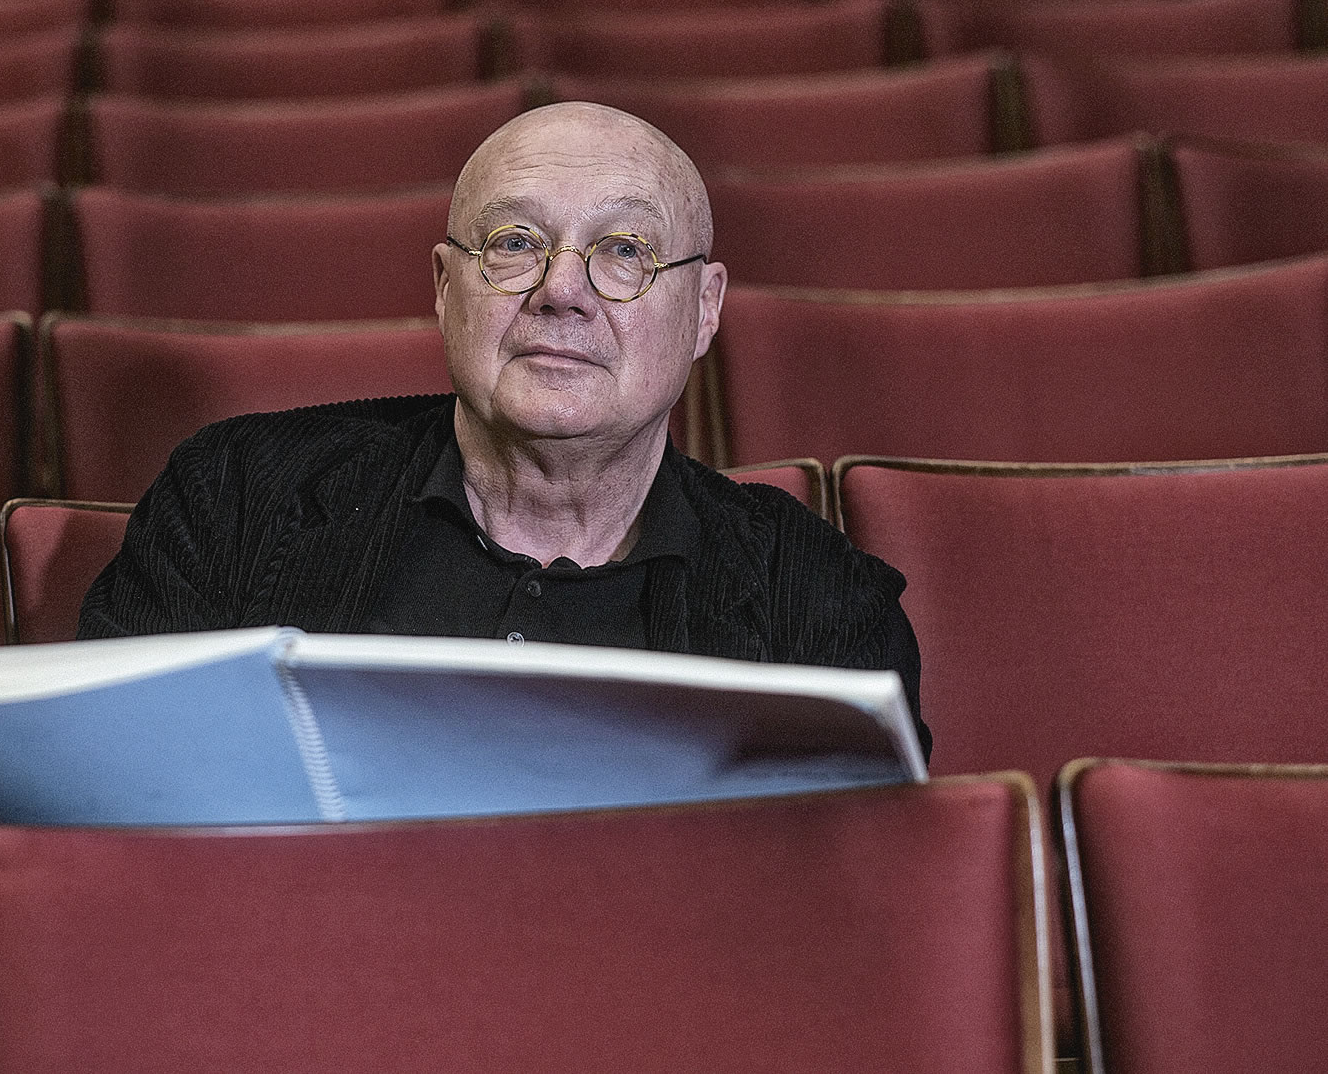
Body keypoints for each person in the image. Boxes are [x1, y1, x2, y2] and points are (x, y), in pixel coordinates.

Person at [81, 100, 929, 756]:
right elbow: (109, 801)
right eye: (516, 242)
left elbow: (859, 914)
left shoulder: (820, 608)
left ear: (704, 310)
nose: (563, 290)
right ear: (447, 289)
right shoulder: (233, 499)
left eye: (625, 250)